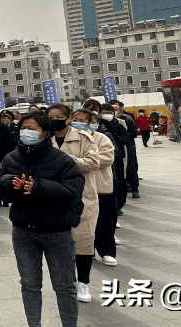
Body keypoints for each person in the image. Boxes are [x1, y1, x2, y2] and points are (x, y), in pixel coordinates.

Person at [0, 111, 85, 327]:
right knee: (30, 283)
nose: (26, 133)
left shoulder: (62, 160)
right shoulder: (13, 157)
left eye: (32, 129)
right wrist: (13, 183)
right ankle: (34, 324)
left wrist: (38, 187)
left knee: (65, 286)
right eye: (23, 129)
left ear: (45, 133)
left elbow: (73, 193)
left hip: (56, 232)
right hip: (24, 231)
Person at [47, 103, 103, 305]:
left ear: (68, 118)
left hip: (81, 196)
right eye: (51, 116)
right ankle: (66, 280)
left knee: (83, 240)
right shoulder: (44, 138)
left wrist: (68, 159)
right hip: (52, 196)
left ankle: (84, 282)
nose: (55, 119)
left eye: (59, 116)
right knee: (59, 242)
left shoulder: (84, 138)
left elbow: (94, 163)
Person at [75, 109, 118, 270]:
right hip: (80, 187)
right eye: (75, 119)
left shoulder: (101, 138)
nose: (78, 123)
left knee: (104, 220)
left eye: (82, 120)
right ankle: (88, 249)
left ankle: (107, 251)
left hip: (101, 186)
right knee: (84, 221)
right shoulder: (71, 139)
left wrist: (83, 161)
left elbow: (107, 158)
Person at [111, 100, 140, 199]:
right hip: (114, 149)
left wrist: (124, 139)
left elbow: (133, 133)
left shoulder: (126, 119)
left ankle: (135, 189)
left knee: (131, 167)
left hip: (127, 146)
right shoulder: (106, 122)